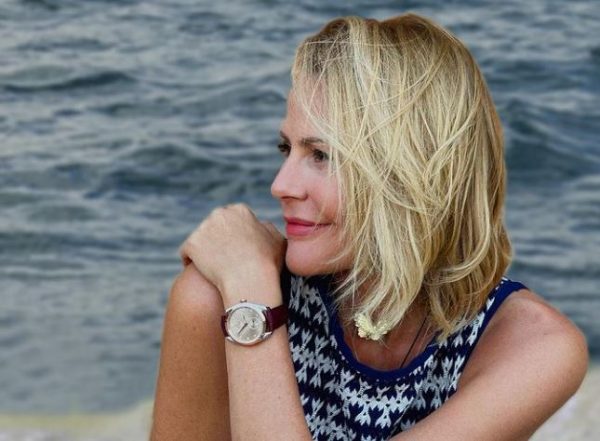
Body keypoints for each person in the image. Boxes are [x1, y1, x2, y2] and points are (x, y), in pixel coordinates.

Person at [150, 13, 588, 441]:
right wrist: (250, 293)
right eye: (287, 148)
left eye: (322, 155)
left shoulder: (534, 346)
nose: (280, 185)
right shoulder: (215, 302)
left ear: (411, 172)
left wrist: (253, 305)